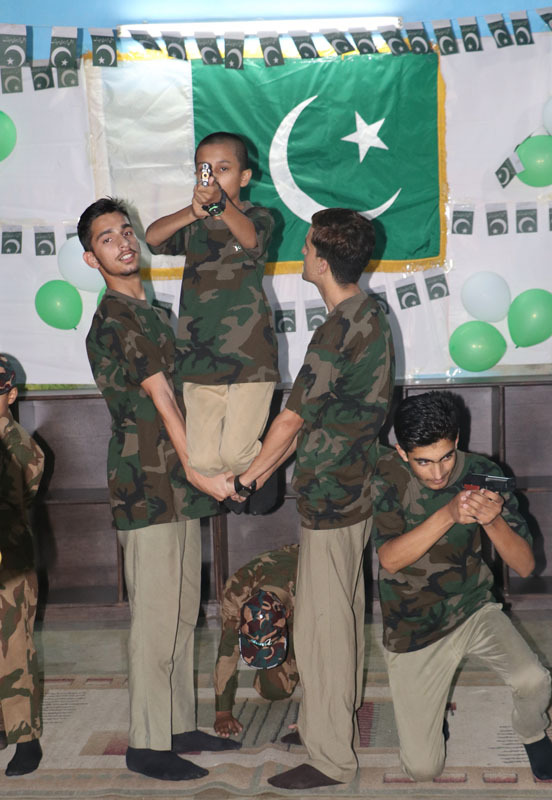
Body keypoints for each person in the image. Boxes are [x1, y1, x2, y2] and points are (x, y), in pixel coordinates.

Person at [227, 208, 395, 789]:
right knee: (341, 614)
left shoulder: (337, 328)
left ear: (322, 262)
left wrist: (247, 479)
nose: (301, 254)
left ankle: (330, 758)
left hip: (330, 495)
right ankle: (331, 721)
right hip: (356, 487)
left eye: (305, 247)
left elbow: (293, 419)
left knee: (323, 628)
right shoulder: (370, 312)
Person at [79, 197, 240, 783]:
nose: (123, 242)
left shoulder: (152, 311)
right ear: (91, 258)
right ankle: (147, 744)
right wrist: (199, 468)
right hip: (145, 481)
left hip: (175, 478)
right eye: (106, 238)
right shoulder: (116, 317)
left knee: (181, 611)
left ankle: (175, 724)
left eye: (126, 231)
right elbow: (161, 396)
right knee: (153, 618)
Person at [371, 390, 552, 783]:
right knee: (423, 768)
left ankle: (532, 732)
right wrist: (450, 513)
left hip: (472, 608)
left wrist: (493, 520)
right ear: (402, 452)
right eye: (423, 461)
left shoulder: (484, 473)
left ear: (457, 441)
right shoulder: (387, 473)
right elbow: (389, 559)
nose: (438, 473)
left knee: (535, 680)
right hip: (412, 627)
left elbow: (525, 565)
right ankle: (433, 715)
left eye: (447, 457)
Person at [145, 132, 280, 511]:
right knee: (203, 462)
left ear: (245, 176)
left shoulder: (259, 216)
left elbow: (250, 239)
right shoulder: (195, 224)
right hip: (198, 357)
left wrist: (220, 206)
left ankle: (266, 471)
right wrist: (193, 212)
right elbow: (152, 238)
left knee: (237, 452)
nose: (214, 176)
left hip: (249, 357)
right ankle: (237, 489)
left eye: (224, 168)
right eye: (205, 169)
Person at [0, 354, 44, 776]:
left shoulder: (19, 445)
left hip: (9, 566)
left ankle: (26, 739)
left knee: (14, 651)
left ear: (10, 395)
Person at [214, 545, 299, 738]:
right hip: (270, 585)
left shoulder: (312, 594)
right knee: (274, 690)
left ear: (287, 614)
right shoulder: (235, 596)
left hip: (304, 582)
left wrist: (313, 716)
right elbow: (227, 651)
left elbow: (326, 652)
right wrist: (223, 711)